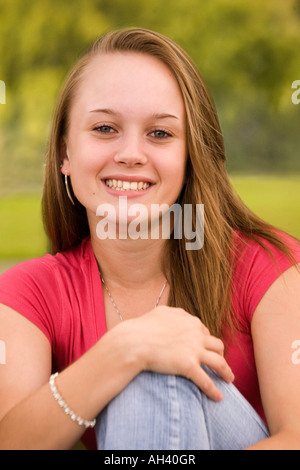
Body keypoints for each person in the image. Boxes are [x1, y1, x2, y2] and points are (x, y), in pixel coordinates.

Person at [0, 27, 300, 450]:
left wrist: (144, 360)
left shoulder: (269, 267)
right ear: (65, 153)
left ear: (189, 154)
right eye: (105, 128)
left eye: (160, 133)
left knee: (159, 370)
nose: (131, 153)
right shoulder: (29, 292)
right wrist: (122, 351)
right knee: (146, 360)